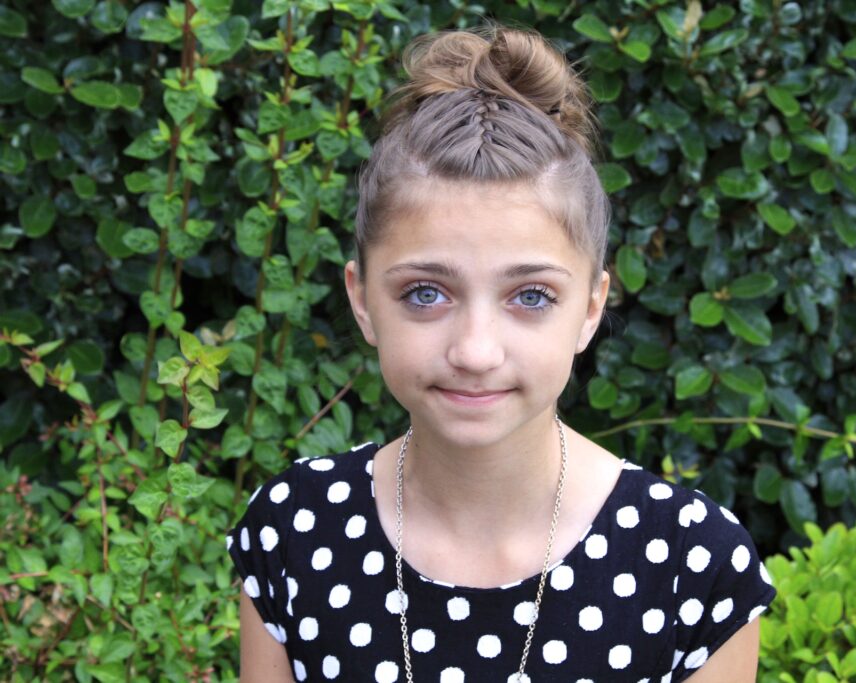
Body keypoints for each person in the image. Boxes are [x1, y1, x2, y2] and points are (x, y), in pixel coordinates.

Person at [227, 23, 775, 682]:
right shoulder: (294, 531)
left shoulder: (694, 565)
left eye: (532, 296)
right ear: (363, 297)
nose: (476, 350)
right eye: (426, 292)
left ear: (592, 307)